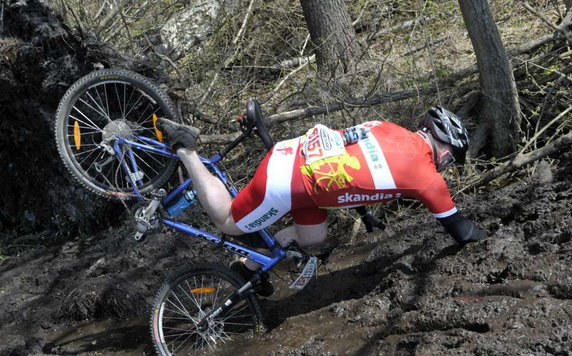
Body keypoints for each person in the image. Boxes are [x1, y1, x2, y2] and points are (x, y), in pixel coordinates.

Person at [156, 106, 486, 296]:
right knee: (227, 221)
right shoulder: (428, 178)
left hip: (300, 162)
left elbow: (353, 165)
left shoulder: (387, 128)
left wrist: (365, 214)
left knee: (314, 236)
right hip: (288, 181)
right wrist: (493, 235)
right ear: (444, 149)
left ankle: (246, 270)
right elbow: (462, 231)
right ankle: (187, 151)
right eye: (451, 159)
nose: (447, 165)